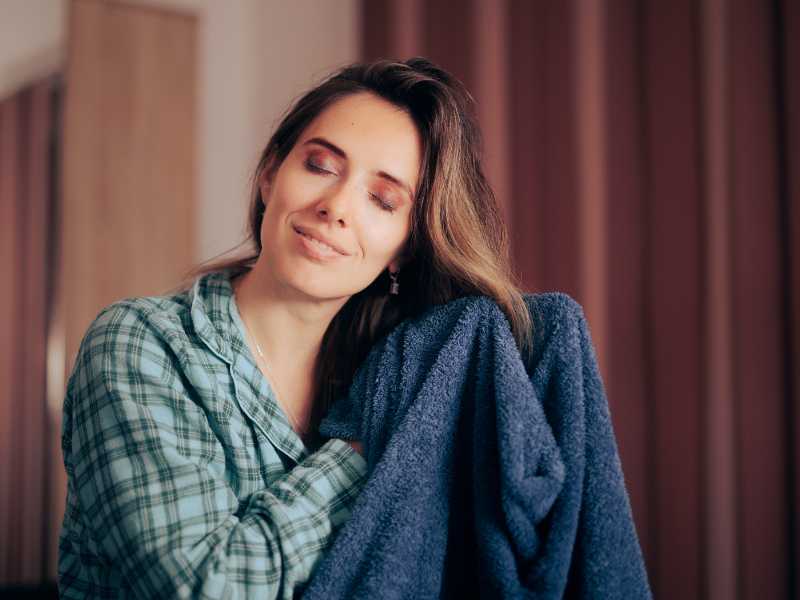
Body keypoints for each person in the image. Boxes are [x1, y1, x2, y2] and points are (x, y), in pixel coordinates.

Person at [57, 57, 535, 599]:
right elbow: (204, 587)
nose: (336, 207)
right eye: (320, 166)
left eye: (382, 200)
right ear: (270, 174)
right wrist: (373, 450)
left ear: (405, 248)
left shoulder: (393, 370)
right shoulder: (138, 344)